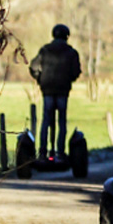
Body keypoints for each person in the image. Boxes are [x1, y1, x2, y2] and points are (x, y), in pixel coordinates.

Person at [29, 24, 82, 159]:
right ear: (66, 36)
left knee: (46, 120)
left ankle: (42, 152)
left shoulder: (45, 50)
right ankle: (60, 152)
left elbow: (33, 67)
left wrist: (40, 79)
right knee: (62, 121)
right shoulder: (71, 52)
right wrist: (69, 79)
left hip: (47, 90)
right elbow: (76, 71)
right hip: (63, 90)